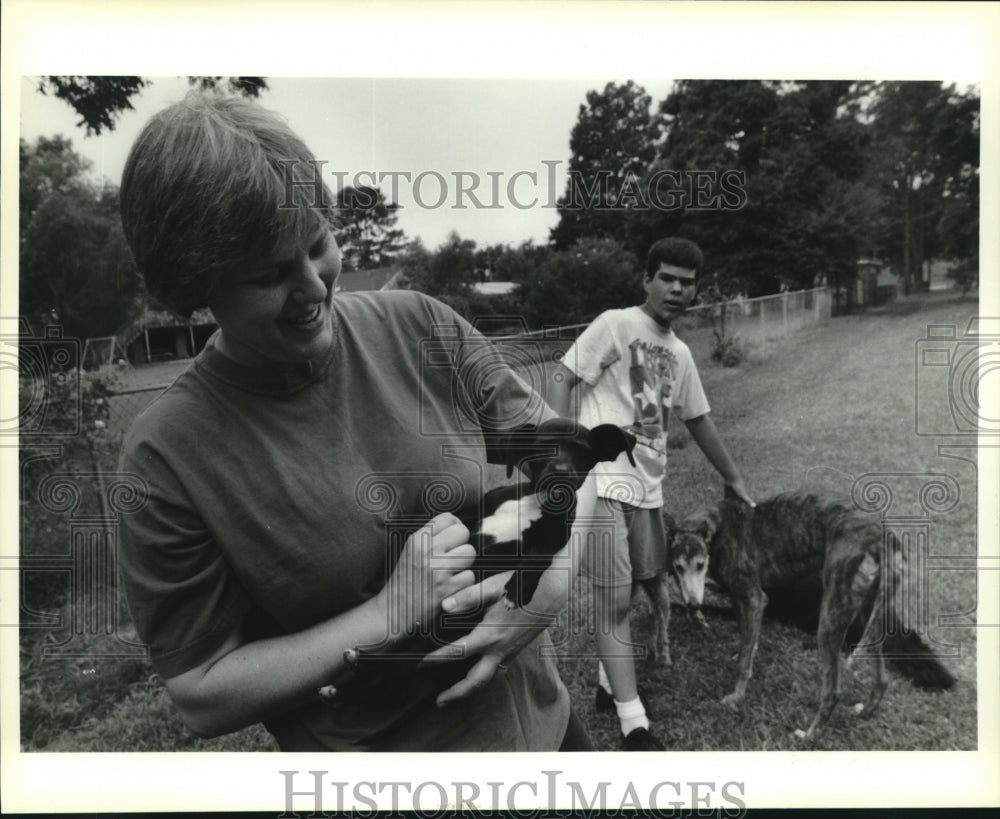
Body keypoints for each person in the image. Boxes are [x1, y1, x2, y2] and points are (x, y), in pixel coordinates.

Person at [116, 92, 593, 752]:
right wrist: (387, 613)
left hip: (549, 732)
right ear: (197, 284)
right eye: (269, 274)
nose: (314, 287)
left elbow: (567, 457)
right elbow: (201, 688)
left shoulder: (419, 324)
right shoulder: (166, 456)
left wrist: (544, 592)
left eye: (317, 244)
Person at [548, 237, 754, 751]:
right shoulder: (615, 324)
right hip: (602, 482)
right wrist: (560, 454)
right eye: (667, 278)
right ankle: (633, 721)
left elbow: (698, 418)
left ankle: (603, 683)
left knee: (638, 588)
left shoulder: (680, 353)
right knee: (614, 599)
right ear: (647, 279)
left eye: (687, 282)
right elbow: (561, 377)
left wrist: (734, 477)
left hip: (648, 489)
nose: (677, 289)